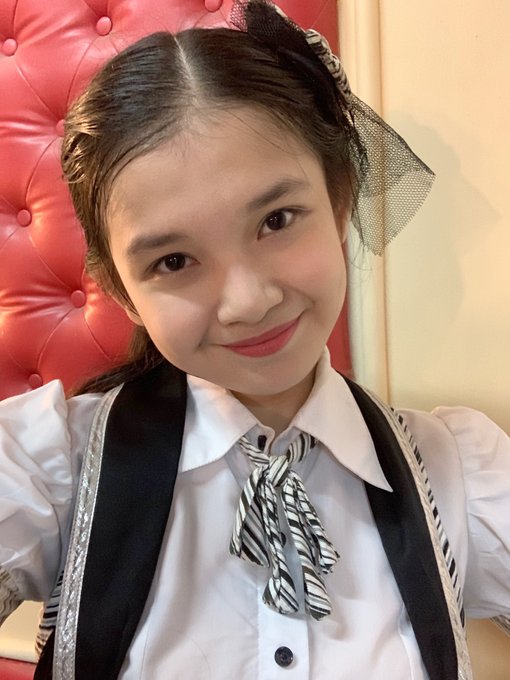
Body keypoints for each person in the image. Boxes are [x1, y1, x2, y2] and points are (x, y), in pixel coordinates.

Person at [0, 1, 508, 678]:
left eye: (277, 220)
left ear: (339, 202)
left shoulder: (459, 473)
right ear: (123, 292)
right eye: (174, 261)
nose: (247, 302)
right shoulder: (52, 468)